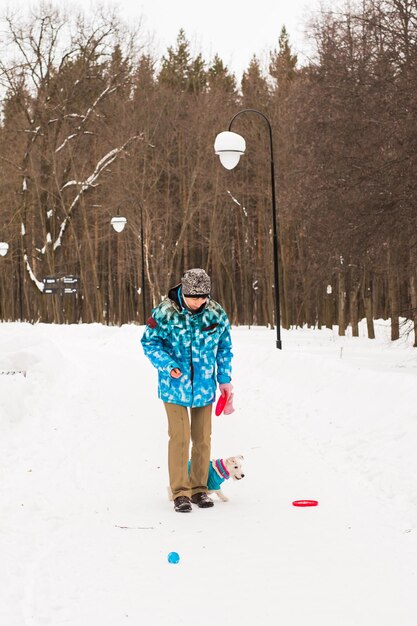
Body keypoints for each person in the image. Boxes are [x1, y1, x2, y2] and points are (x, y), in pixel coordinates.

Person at [141, 268, 234, 513]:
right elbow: (149, 342)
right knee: (180, 438)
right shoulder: (164, 312)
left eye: (203, 297)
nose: (199, 302)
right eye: (194, 297)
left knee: (202, 438)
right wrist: (167, 365)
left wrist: (224, 379)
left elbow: (224, 347)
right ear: (183, 291)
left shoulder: (215, 313)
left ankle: (199, 488)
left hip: (204, 386)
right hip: (174, 387)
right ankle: (180, 492)